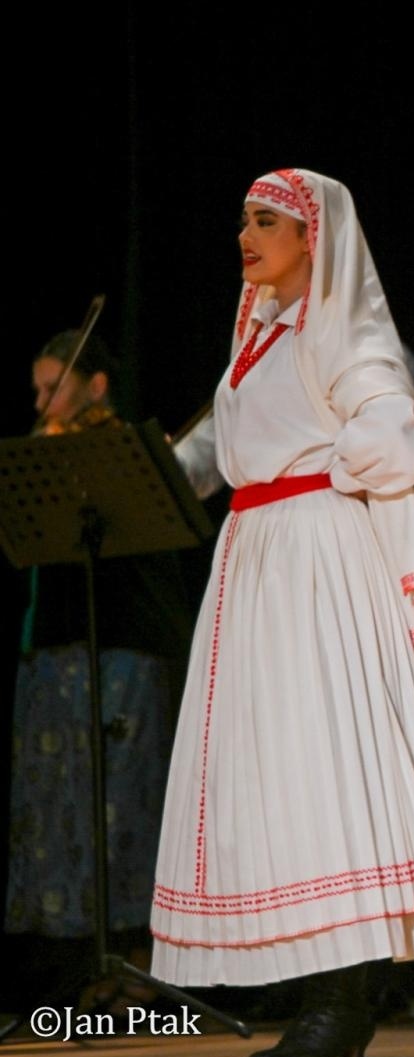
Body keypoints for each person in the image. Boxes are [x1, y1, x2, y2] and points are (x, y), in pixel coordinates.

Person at [154, 169, 414, 1057]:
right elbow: (210, 449)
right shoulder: (258, 335)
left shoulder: (341, 327)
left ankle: (342, 1001)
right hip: (255, 557)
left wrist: (327, 467)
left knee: (326, 765)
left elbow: (393, 431)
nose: (246, 232)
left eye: (266, 219)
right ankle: (317, 985)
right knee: (276, 772)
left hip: (315, 555)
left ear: (314, 236)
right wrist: (146, 463)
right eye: (243, 218)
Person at [9, 331, 191, 1010]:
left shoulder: (119, 455)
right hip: (59, 653)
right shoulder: (44, 455)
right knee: (69, 811)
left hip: (125, 649)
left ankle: (142, 963)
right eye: (37, 388)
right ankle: (91, 965)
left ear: (95, 386)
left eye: (52, 385)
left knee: (127, 807)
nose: (40, 400)